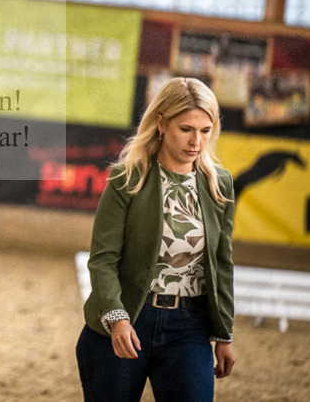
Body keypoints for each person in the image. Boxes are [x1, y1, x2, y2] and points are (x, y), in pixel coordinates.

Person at [76, 77, 236, 401]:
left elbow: (222, 263)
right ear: (161, 123)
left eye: (206, 130)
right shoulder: (127, 178)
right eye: (186, 129)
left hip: (190, 327)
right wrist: (117, 319)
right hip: (126, 318)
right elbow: (103, 259)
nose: (197, 141)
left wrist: (224, 333)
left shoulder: (220, 184)